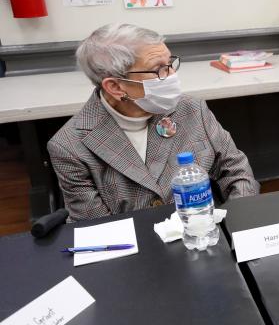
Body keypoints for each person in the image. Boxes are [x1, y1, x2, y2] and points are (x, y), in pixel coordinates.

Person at [48, 23, 260, 221]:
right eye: (159, 69)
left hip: (204, 233)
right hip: (137, 252)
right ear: (115, 87)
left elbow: (236, 170)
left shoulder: (191, 110)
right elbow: (98, 228)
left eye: (170, 63)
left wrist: (237, 222)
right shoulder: (69, 147)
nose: (172, 75)